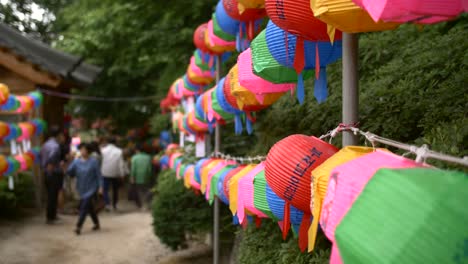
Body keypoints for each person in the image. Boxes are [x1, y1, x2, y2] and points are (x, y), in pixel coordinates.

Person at [67, 143, 102, 235]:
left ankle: (78, 226)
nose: (82, 152)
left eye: (84, 150)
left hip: (92, 187)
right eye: (81, 150)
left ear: (88, 151)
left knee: (84, 206)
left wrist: (100, 187)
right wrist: (69, 161)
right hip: (81, 187)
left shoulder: (94, 161)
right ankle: (96, 223)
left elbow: (99, 176)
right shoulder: (76, 162)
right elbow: (70, 172)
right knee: (89, 206)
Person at [40, 125, 65, 224]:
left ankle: (52, 215)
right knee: (52, 195)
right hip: (53, 172)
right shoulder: (55, 146)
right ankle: (50, 217)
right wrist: (53, 165)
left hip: (46, 171)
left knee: (51, 194)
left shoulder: (45, 144)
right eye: (62, 135)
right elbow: (52, 158)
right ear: (58, 135)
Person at [100, 136, 126, 211]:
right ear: (115, 142)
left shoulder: (103, 150)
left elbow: (101, 161)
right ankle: (114, 204)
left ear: (107, 142)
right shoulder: (119, 151)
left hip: (105, 172)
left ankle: (107, 204)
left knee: (105, 189)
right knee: (115, 190)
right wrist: (122, 174)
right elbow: (121, 164)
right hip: (115, 173)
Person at [130, 145, 153, 209]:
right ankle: (147, 204)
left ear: (137, 150)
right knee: (147, 190)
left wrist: (132, 177)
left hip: (137, 177)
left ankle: (142, 204)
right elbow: (149, 169)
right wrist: (150, 176)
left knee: (139, 191)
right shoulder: (148, 157)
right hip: (146, 177)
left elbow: (133, 169)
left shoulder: (134, 157)